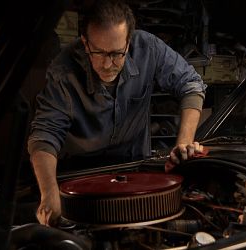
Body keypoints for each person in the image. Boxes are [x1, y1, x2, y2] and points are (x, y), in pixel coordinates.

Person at [27, 0, 207, 226]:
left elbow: (191, 84)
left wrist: (183, 143)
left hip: (136, 174)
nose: (107, 64)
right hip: (80, 182)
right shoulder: (63, 71)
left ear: (128, 43)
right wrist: (49, 193)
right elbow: (44, 136)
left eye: (116, 54)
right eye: (99, 52)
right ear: (85, 42)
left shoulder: (148, 48)